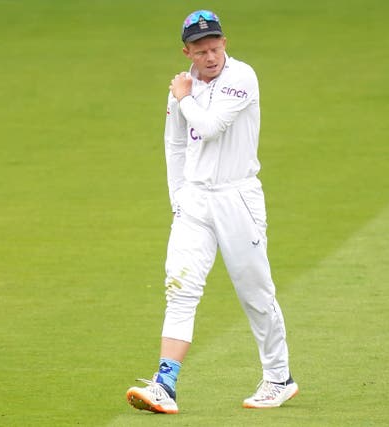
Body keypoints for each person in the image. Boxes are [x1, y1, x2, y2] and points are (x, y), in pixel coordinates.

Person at [126, 9, 298, 414]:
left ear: (225, 44)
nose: (210, 56)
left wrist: (185, 97)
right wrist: (179, 197)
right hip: (195, 202)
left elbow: (208, 127)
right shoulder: (180, 89)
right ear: (187, 50)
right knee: (179, 288)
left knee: (255, 292)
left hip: (237, 198)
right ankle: (165, 383)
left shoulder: (241, 77)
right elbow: (176, 145)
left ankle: (279, 378)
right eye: (201, 49)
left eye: (215, 47)